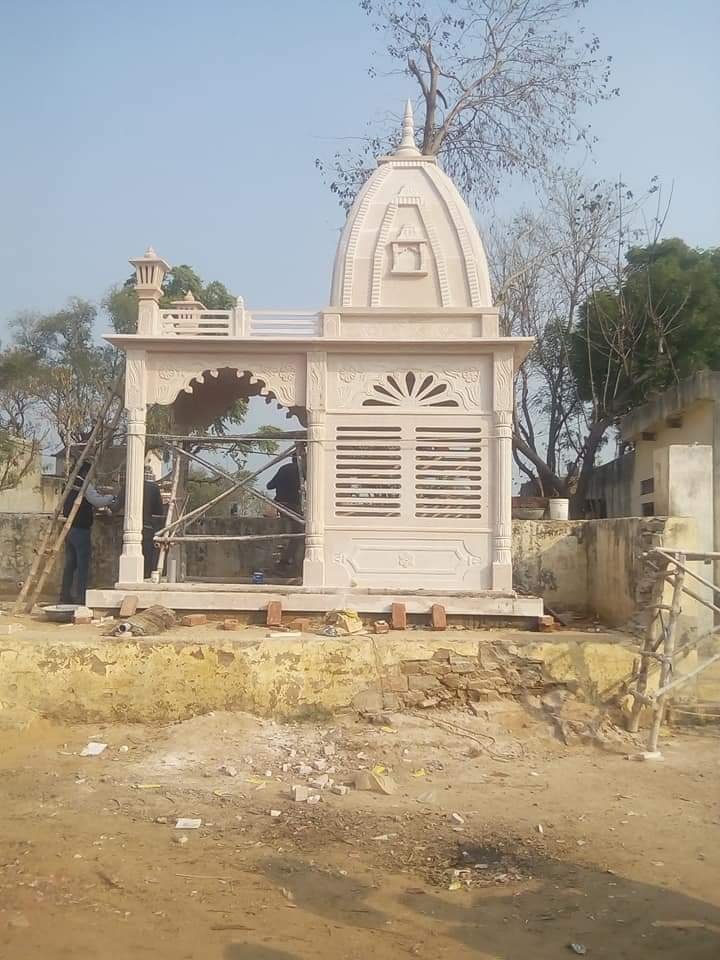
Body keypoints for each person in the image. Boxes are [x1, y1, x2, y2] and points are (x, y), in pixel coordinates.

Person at [60, 461, 116, 605]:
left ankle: (65, 596)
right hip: (81, 529)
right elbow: (96, 501)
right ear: (86, 472)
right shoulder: (83, 485)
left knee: (70, 566)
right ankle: (81, 597)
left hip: (69, 528)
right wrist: (111, 498)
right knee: (82, 566)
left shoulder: (69, 483)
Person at [267, 451, 303, 571]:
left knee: (286, 531)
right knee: (298, 532)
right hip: (293, 504)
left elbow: (269, 486)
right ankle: (286, 560)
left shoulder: (284, 468)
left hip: (280, 504)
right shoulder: (302, 471)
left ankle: (283, 557)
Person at [142, 466, 165, 579]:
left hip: (134, 528)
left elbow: (116, 506)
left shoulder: (128, 485)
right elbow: (159, 511)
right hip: (148, 526)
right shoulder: (153, 488)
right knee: (149, 557)